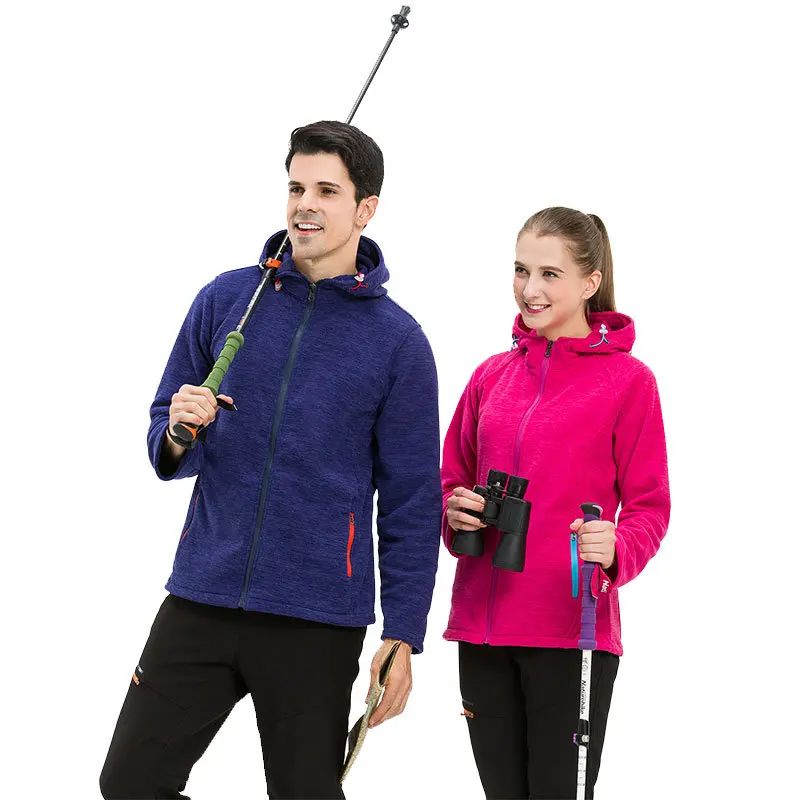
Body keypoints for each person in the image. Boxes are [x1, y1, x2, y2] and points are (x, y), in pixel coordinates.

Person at [99, 121, 442, 800]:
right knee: (130, 782)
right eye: (295, 187)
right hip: (204, 594)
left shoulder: (399, 342)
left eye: (326, 190)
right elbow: (165, 430)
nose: (304, 204)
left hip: (317, 616)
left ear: (366, 209)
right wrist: (179, 432)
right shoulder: (226, 300)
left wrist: (403, 634)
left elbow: (412, 500)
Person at [441, 207, 670, 799]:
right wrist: (455, 510)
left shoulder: (629, 382)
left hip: (571, 631)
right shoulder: (491, 376)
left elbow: (650, 506)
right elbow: (451, 478)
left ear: (590, 282)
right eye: (521, 270)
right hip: (482, 630)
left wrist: (617, 545)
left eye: (549, 274)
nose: (530, 289)